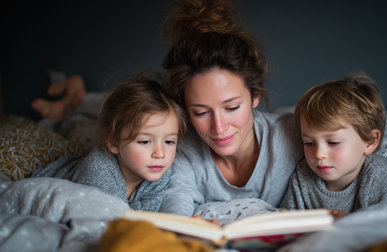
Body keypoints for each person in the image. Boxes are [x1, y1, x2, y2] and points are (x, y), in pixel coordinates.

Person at [158, 0, 303, 216]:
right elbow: (176, 203)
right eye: (201, 112)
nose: (219, 127)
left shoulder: (294, 137)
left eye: (232, 107)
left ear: (255, 96)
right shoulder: (181, 148)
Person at [33, 72, 187, 211]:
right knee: (72, 128)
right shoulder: (99, 171)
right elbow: (107, 220)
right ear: (113, 143)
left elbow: (147, 214)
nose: (160, 153)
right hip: (54, 185)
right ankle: (60, 115)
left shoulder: (161, 170)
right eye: (145, 141)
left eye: (169, 142)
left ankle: (67, 106)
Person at [280, 71, 387, 219]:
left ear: (369, 141)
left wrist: (348, 222)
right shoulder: (302, 174)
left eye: (333, 142)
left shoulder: (378, 173)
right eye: (309, 143)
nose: (318, 154)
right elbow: (286, 221)